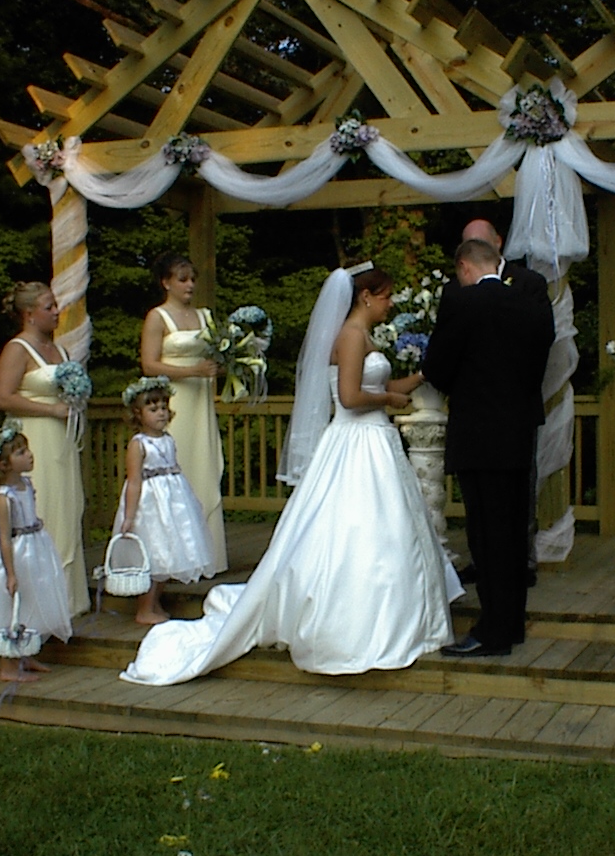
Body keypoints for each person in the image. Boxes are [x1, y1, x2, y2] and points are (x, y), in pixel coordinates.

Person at [120, 266, 463, 683]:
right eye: (386, 296)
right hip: (357, 439)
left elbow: (380, 383)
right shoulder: (351, 335)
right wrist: (391, 399)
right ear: (366, 297)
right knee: (358, 527)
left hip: (376, 440)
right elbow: (351, 397)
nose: (390, 304)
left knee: (391, 527)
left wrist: (424, 375)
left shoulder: (365, 335)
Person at [425, 239, 555, 657]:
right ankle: (511, 623)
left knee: (486, 536)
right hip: (518, 432)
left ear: (464, 267)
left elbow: (436, 367)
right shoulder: (531, 304)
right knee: (513, 533)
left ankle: (492, 631)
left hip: (478, 434)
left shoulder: (462, 304)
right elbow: (539, 364)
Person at [448, 219, 551, 587]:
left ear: (498, 243)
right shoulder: (455, 291)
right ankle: (484, 563)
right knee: (480, 503)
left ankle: (521, 562)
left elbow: (543, 343)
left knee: (518, 494)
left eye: (478, 241)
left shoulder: (528, 284)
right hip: (476, 415)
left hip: (516, 409)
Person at [0, 282, 88, 617]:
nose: (56, 312)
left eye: (55, 305)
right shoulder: (17, 349)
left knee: (66, 507)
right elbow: (3, 397)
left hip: (61, 441)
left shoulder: (60, 351)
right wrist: (50, 410)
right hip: (34, 440)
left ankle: (68, 600)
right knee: (41, 506)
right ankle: (38, 603)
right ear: (29, 314)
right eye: (49, 307)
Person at [0, 420, 72, 682]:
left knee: (31, 599)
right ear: (4, 464)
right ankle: (8, 666)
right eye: (21, 452)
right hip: (12, 554)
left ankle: (24, 653)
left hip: (34, 549)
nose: (30, 455)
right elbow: (3, 537)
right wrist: (10, 573)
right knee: (10, 605)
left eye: (27, 450)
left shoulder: (27, 485)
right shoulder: (3, 497)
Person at [139, 253, 227, 575]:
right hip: (174, 403)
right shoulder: (158, 317)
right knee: (177, 466)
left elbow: (218, 355)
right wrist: (192, 371)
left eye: (192, 279)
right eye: (182, 279)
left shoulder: (205, 317)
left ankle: (209, 554)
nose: (189, 285)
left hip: (200, 402)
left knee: (203, 464)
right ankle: (175, 558)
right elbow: (149, 365)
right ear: (166, 283)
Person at [115, 376, 214, 625]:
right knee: (154, 555)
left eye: (163, 407)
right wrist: (129, 516)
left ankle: (154, 603)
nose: (161, 413)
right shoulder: (138, 444)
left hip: (173, 502)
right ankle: (144, 608)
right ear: (138, 414)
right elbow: (134, 481)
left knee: (168, 555)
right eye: (153, 409)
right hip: (150, 506)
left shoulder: (168, 439)